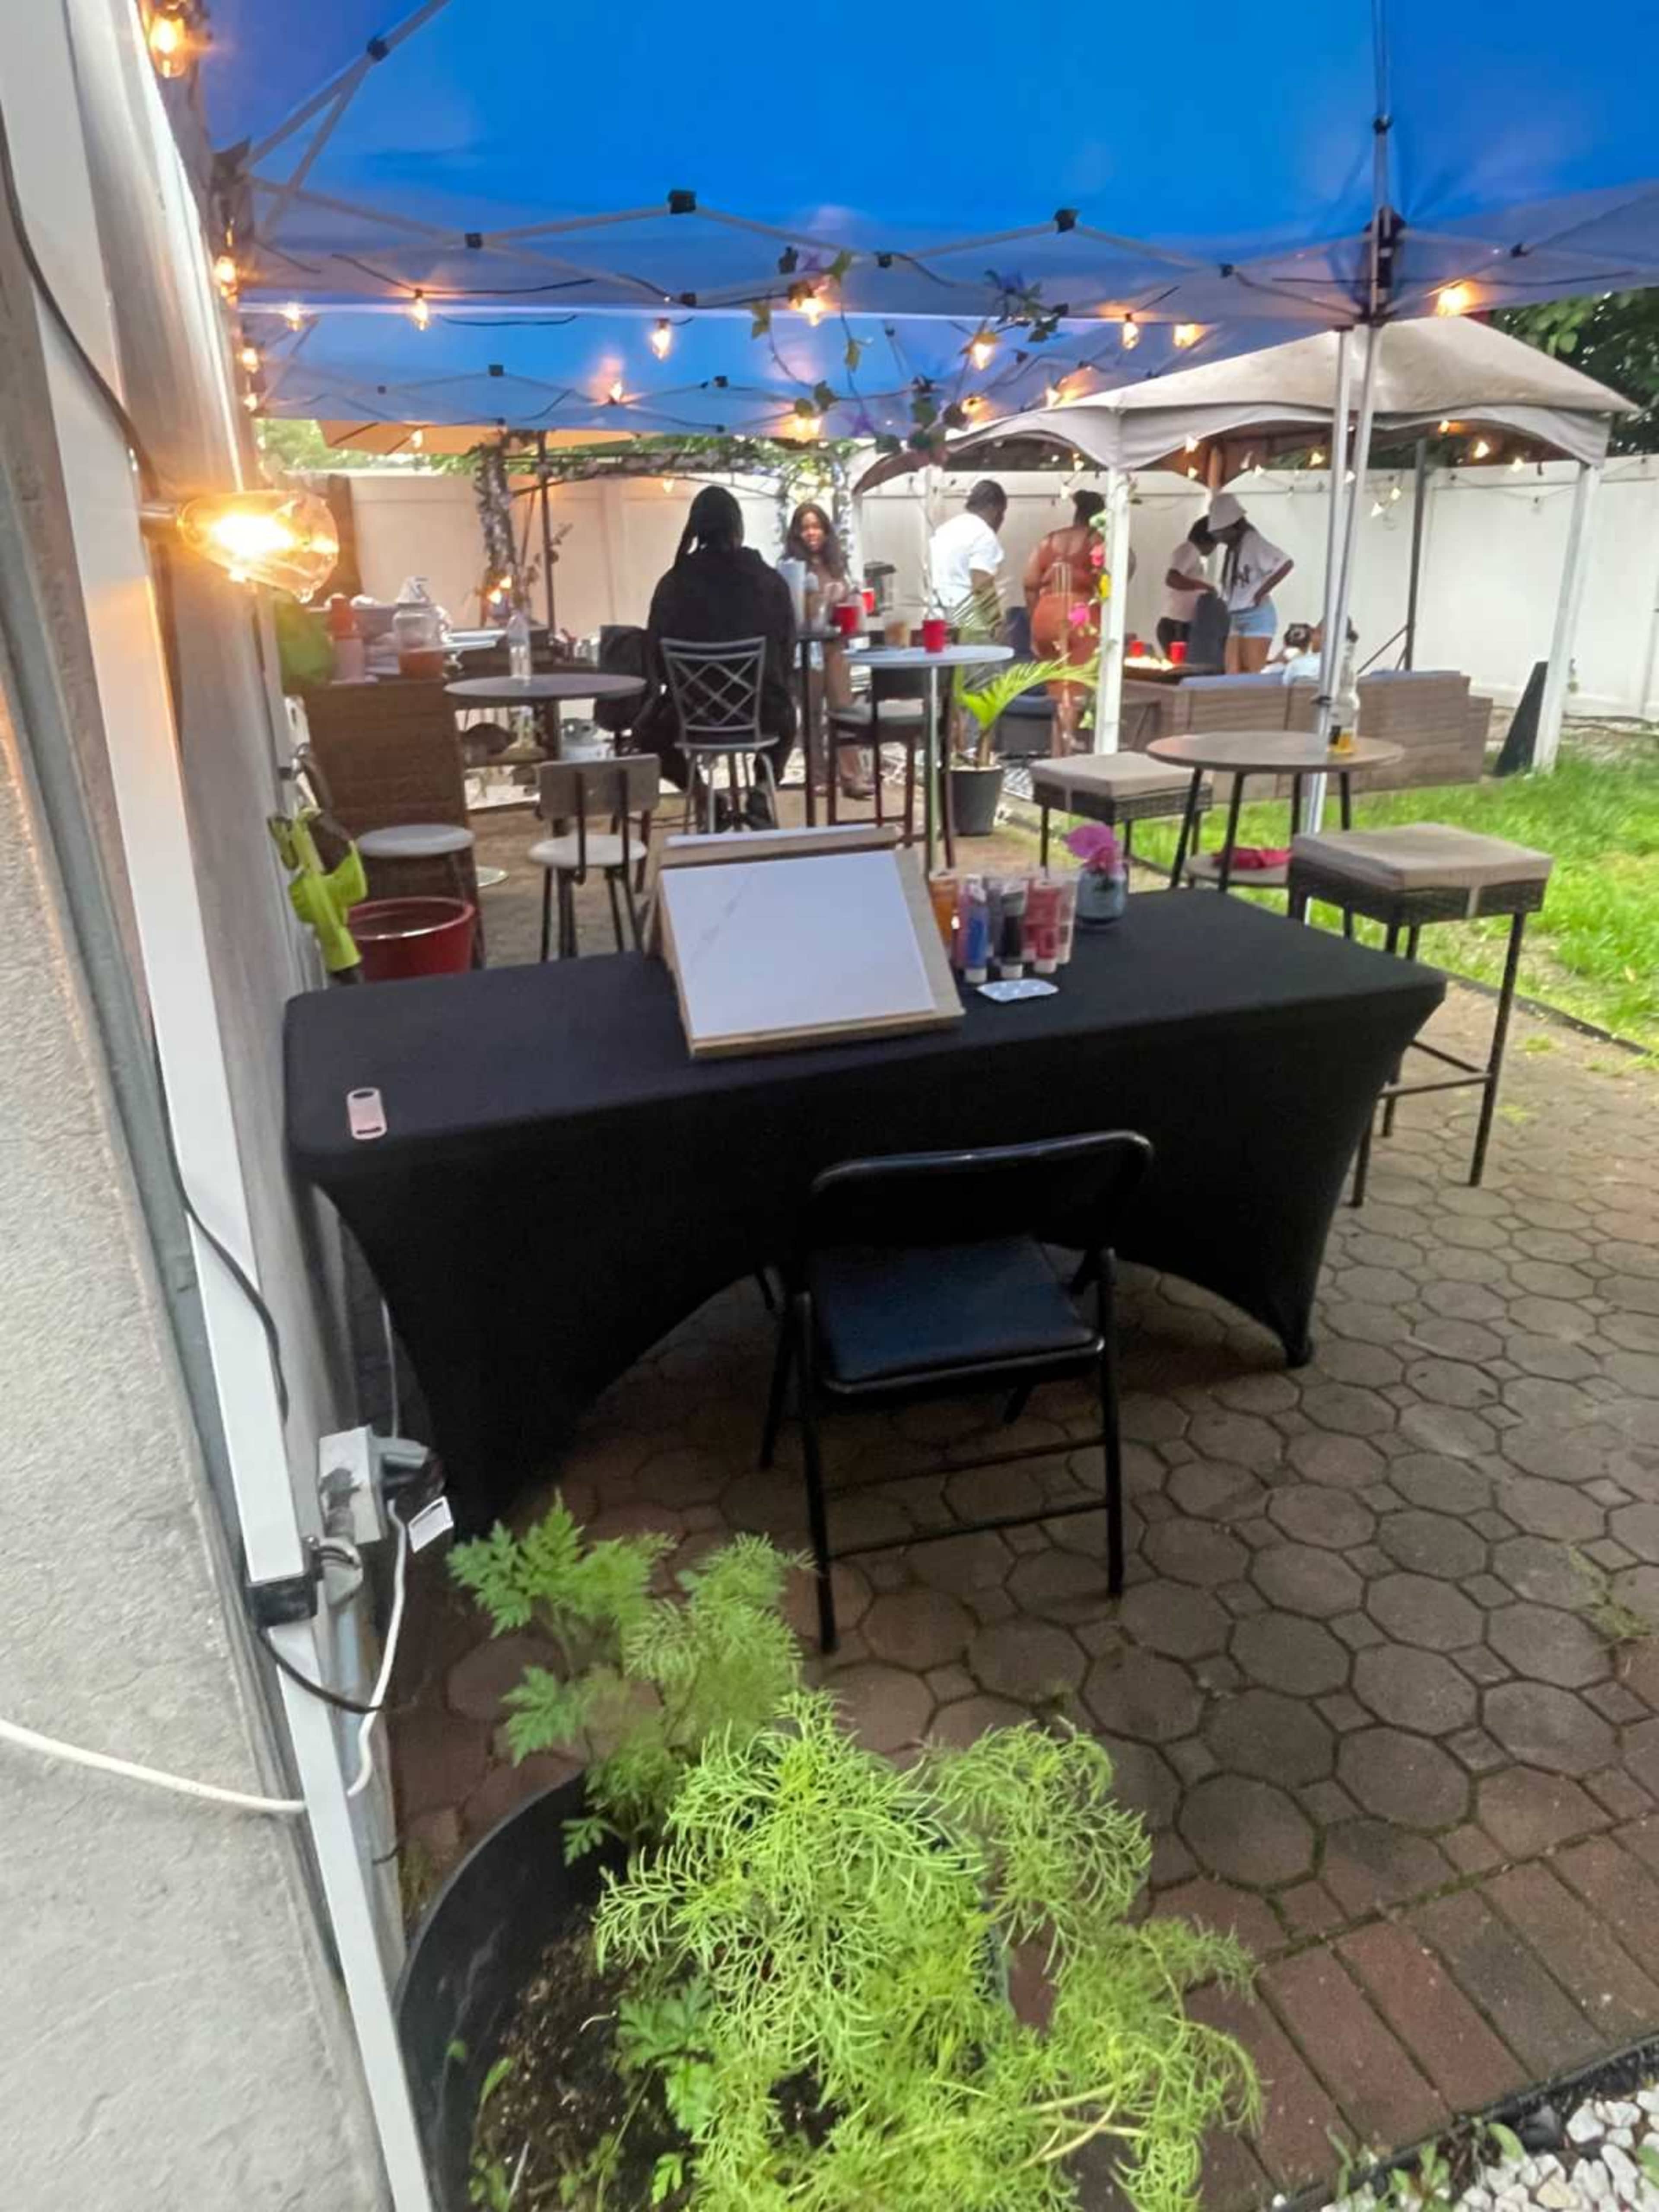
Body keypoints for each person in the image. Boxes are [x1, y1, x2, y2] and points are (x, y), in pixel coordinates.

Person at [637, 486, 796, 826]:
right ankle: (761, 792)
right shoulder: (769, 582)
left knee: (645, 732)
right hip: (761, 716)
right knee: (788, 715)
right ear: (738, 528)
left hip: (691, 718)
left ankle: (702, 794)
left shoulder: (673, 583)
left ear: (696, 528)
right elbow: (786, 657)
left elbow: (657, 663)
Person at [782, 500, 867, 800]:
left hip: (836, 645)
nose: (811, 533)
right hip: (807, 649)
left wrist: (847, 598)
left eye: (816, 526)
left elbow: (850, 601)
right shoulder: (791, 567)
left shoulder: (837, 565)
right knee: (812, 712)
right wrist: (818, 600)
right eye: (805, 528)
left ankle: (852, 776)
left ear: (826, 531)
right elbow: (793, 612)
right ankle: (817, 777)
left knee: (844, 709)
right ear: (796, 533)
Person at [1025, 489, 1105, 751]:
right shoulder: (1098, 540)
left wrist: (1034, 627)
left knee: (1057, 689)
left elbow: (1029, 584)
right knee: (1075, 689)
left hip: (1045, 615)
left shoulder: (1049, 541)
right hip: (1078, 616)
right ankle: (1068, 755)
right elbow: (1109, 582)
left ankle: (1057, 752)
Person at [1207, 490, 1294, 673]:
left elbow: (1285, 563)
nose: (1220, 540)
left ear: (1233, 526)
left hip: (1257, 616)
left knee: (1252, 673)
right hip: (1237, 616)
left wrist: (1260, 593)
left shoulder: (1253, 541)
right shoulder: (1234, 548)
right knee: (1232, 672)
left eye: (1222, 534)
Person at [928, 479, 1007, 629]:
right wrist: (997, 625)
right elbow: (982, 585)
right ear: (994, 509)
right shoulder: (984, 535)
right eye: (1002, 513)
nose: (1001, 520)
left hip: (937, 620)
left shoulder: (945, 530)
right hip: (968, 624)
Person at [1158, 518, 1214, 657]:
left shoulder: (1192, 553)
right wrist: (1203, 587)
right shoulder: (1189, 550)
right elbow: (1172, 579)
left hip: (1181, 623)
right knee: (1180, 668)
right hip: (1177, 624)